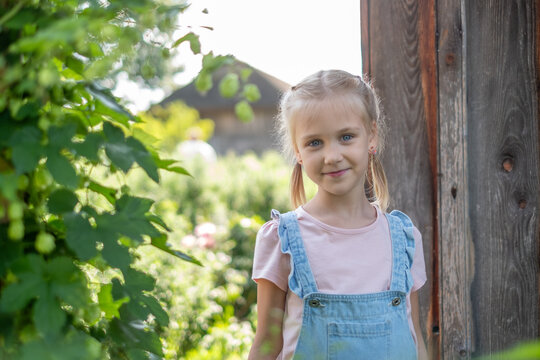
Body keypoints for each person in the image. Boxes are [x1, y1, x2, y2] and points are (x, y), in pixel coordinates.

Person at [248, 70, 428, 360]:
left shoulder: (404, 240)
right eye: (315, 143)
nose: (331, 156)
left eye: (346, 137)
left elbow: (415, 339)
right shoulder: (281, 240)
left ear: (371, 136)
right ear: (297, 150)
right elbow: (266, 345)